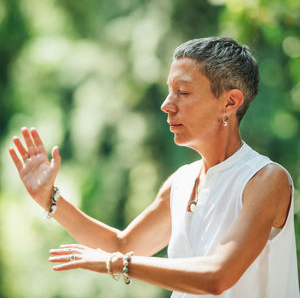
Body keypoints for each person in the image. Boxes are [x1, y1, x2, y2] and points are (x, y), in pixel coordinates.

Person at [9, 37, 299, 298]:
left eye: (182, 92)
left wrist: (116, 265)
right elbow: (122, 245)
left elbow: (217, 277)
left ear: (230, 102)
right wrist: (48, 198)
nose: (166, 105)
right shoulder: (182, 181)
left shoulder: (265, 180)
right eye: (169, 91)